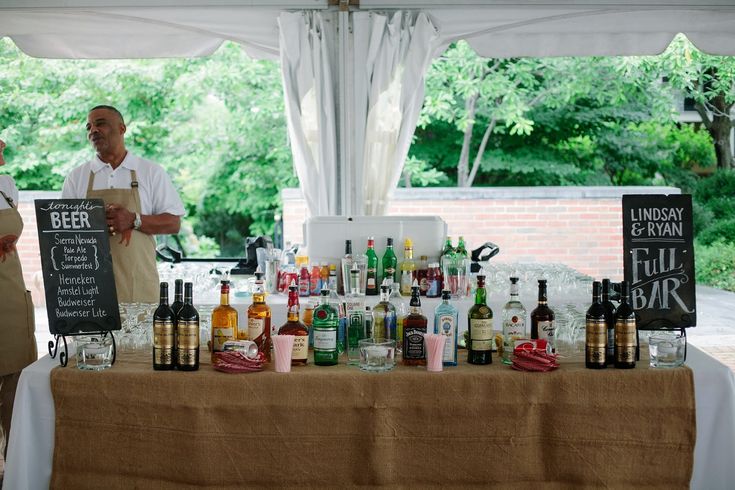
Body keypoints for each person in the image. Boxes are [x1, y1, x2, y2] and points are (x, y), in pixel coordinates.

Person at [62, 105, 185, 303]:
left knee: (140, 334)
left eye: (100, 124)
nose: (93, 130)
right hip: (89, 289)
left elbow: (173, 223)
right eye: (88, 127)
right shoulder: (77, 177)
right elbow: (63, 233)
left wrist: (133, 220)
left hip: (139, 285)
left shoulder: (150, 171)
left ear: (122, 128)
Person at [0, 138, 37, 461]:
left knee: (15, 384)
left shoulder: (6, 185)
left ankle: (14, 468)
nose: (2, 143)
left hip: (11, 298)